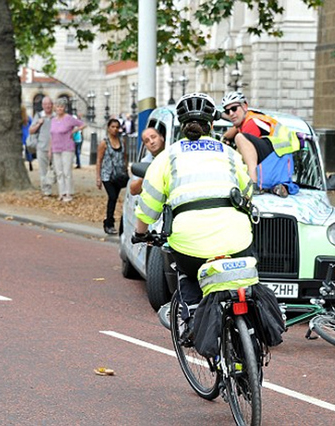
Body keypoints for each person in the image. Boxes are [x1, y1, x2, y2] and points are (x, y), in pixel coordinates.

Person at [134, 92, 253, 312]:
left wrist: (140, 234)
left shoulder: (167, 157)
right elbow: (247, 192)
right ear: (211, 124)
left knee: (189, 274)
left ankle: (192, 315)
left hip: (190, 242)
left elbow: (147, 207)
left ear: (182, 125)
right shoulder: (229, 154)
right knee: (245, 282)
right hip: (235, 238)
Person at [220, 91, 300, 196]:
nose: (231, 113)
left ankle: (253, 183)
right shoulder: (250, 118)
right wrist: (225, 137)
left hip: (276, 153)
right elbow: (235, 128)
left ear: (245, 106)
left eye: (234, 109)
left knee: (240, 140)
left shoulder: (252, 123)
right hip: (281, 158)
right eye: (227, 111)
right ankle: (277, 187)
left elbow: (243, 154)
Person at [49, 98, 86, 203]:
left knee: (67, 172)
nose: (59, 108)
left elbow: (82, 124)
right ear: (55, 108)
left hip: (67, 148)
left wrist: (75, 130)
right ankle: (61, 192)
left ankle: (68, 193)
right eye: (57, 106)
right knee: (59, 172)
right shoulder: (53, 120)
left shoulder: (69, 118)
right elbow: (51, 135)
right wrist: (50, 149)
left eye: (61, 107)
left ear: (64, 108)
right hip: (56, 148)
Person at [96, 118, 129, 234]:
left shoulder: (122, 141)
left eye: (117, 127)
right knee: (112, 197)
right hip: (107, 175)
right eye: (112, 127)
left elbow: (125, 156)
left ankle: (112, 221)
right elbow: (99, 160)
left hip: (119, 175)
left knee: (116, 199)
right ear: (108, 128)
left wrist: (126, 170)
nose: (115, 129)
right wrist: (98, 177)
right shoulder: (104, 143)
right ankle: (108, 222)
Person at [28, 96, 54, 197]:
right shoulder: (39, 116)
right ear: (43, 105)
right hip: (42, 147)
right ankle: (46, 191)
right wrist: (38, 123)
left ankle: (50, 184)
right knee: (43, 170)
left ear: (52, 105)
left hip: (56, 148)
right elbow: (31, 131)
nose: (47, 106)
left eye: (49, 104)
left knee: (56, 170)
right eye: (45, 104)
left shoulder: (56, 117)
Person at [129, 127, 166, 196]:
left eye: (153, 137)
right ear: (145, 146)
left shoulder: (175, 153)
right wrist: (148, 173)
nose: (151, 142)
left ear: (162, 137)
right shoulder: (145, 162)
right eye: (147, 141)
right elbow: (133, 190)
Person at [20, 105, 33, 171]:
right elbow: (32, 124)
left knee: (22, 151)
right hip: (27, 135)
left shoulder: (19, 119)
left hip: (22, 136)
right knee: (28, 152)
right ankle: (30, 162)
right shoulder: (27, 118)